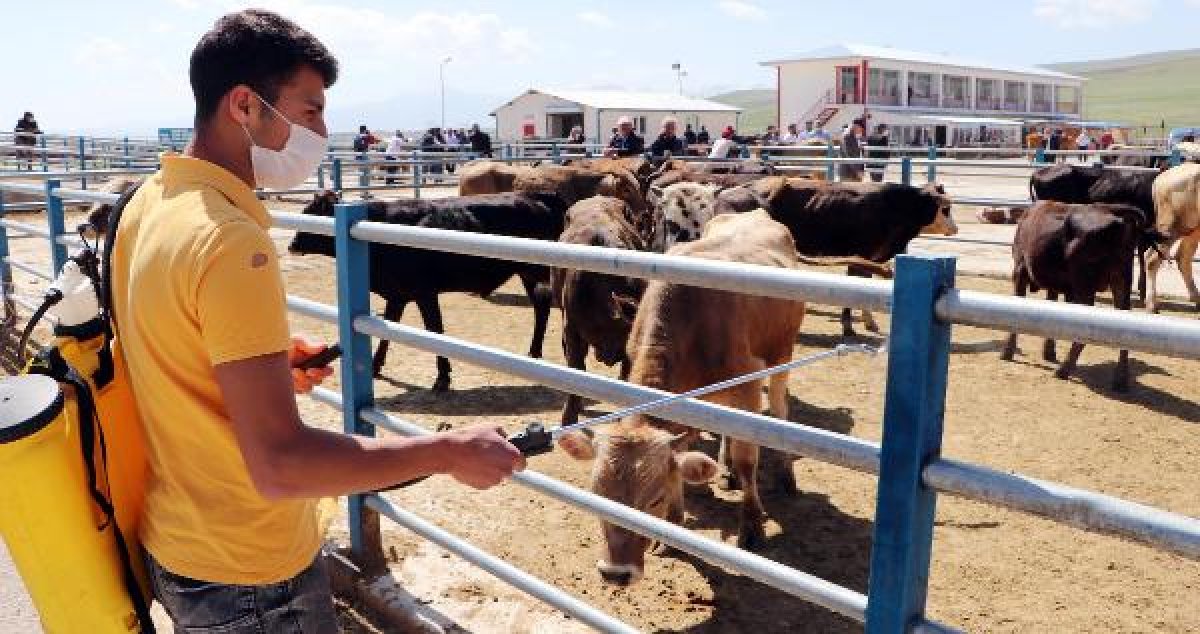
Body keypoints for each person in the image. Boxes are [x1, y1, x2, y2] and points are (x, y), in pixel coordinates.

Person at [113, 10, 525, 632]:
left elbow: (166, 343)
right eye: (309, 112)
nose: (323, 133)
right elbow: (281, 464)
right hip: (251, 572)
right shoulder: (230, 242)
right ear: (244, 105)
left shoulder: (151, 203)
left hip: (179, 541)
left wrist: (265, 365)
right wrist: (446, 451)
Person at [838, 117, 866, 182]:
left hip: (853, 172)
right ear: (855, 126)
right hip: (848, 172)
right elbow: (848, 156)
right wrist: (857, 171)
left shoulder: (855, 137)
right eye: (861, 129)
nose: (861, 131)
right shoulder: (847, 137)